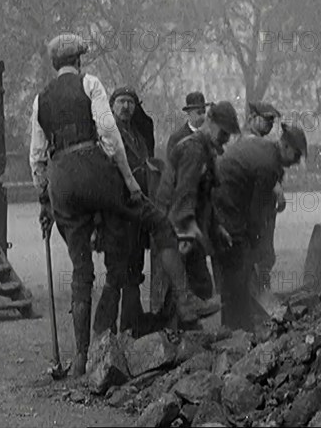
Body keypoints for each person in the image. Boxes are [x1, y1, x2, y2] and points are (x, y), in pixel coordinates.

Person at [29, 34, 221, 376]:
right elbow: (108, 132)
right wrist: (131, 184)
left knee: (81, 272)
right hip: (95, 174)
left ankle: (80, 361)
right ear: (79, 61)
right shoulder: (90, 84)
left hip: (61, 183)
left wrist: (45, 202)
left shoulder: (40, 99)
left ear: (55, 65)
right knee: (159, 223)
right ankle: (187, 303)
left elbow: (36, 157)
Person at [212, 123, 308, 330]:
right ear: (285, 146)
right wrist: (255, 241)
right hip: (227, 207)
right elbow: (256, 211)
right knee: (238, 266)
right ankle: (237, 327)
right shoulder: (270, 166)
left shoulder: (265, 149)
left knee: (236, 268)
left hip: (225, 204)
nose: (295, 162)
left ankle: (234, 323)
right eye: (296, 155)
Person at [155, 101, 240, 328]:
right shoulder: (193, 149)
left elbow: (206, 197)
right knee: (181, 291)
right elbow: (184, 193)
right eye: (223, 132)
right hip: (172, 225)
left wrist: (216, 227)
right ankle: (176, 344)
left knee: (201, 286)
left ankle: (191, 341)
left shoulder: (206, 151)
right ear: (209, 122)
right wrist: (187, 228)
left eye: (229, 135)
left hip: (187, 224)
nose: (226, 138)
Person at [93, 86, 163, 338]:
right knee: (116, 274)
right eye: (121, 102)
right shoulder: (106, 135)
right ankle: (103, 332)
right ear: (111, 106)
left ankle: (130, 330)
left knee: (134, 273)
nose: (126, 107)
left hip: (137, 215)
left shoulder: (138, 136)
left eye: (131, 103)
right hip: (116, 214)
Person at [244, 102, 286, 293]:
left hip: (265, 210)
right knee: (258, 255)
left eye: (272, 121)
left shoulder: (263, 144)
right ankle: (255, 298)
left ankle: (260, 294)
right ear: (253, 117)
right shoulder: (250, 143)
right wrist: (278, 191)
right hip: (253, 209)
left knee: (265, 255)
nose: (269, 124)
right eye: (266, 119)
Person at [166, 91, 209, 159]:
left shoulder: (209, 137)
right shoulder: (176, 138)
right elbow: (171, 166)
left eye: (204, 111)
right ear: (189, 112)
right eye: (199, 112)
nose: (202, 116)